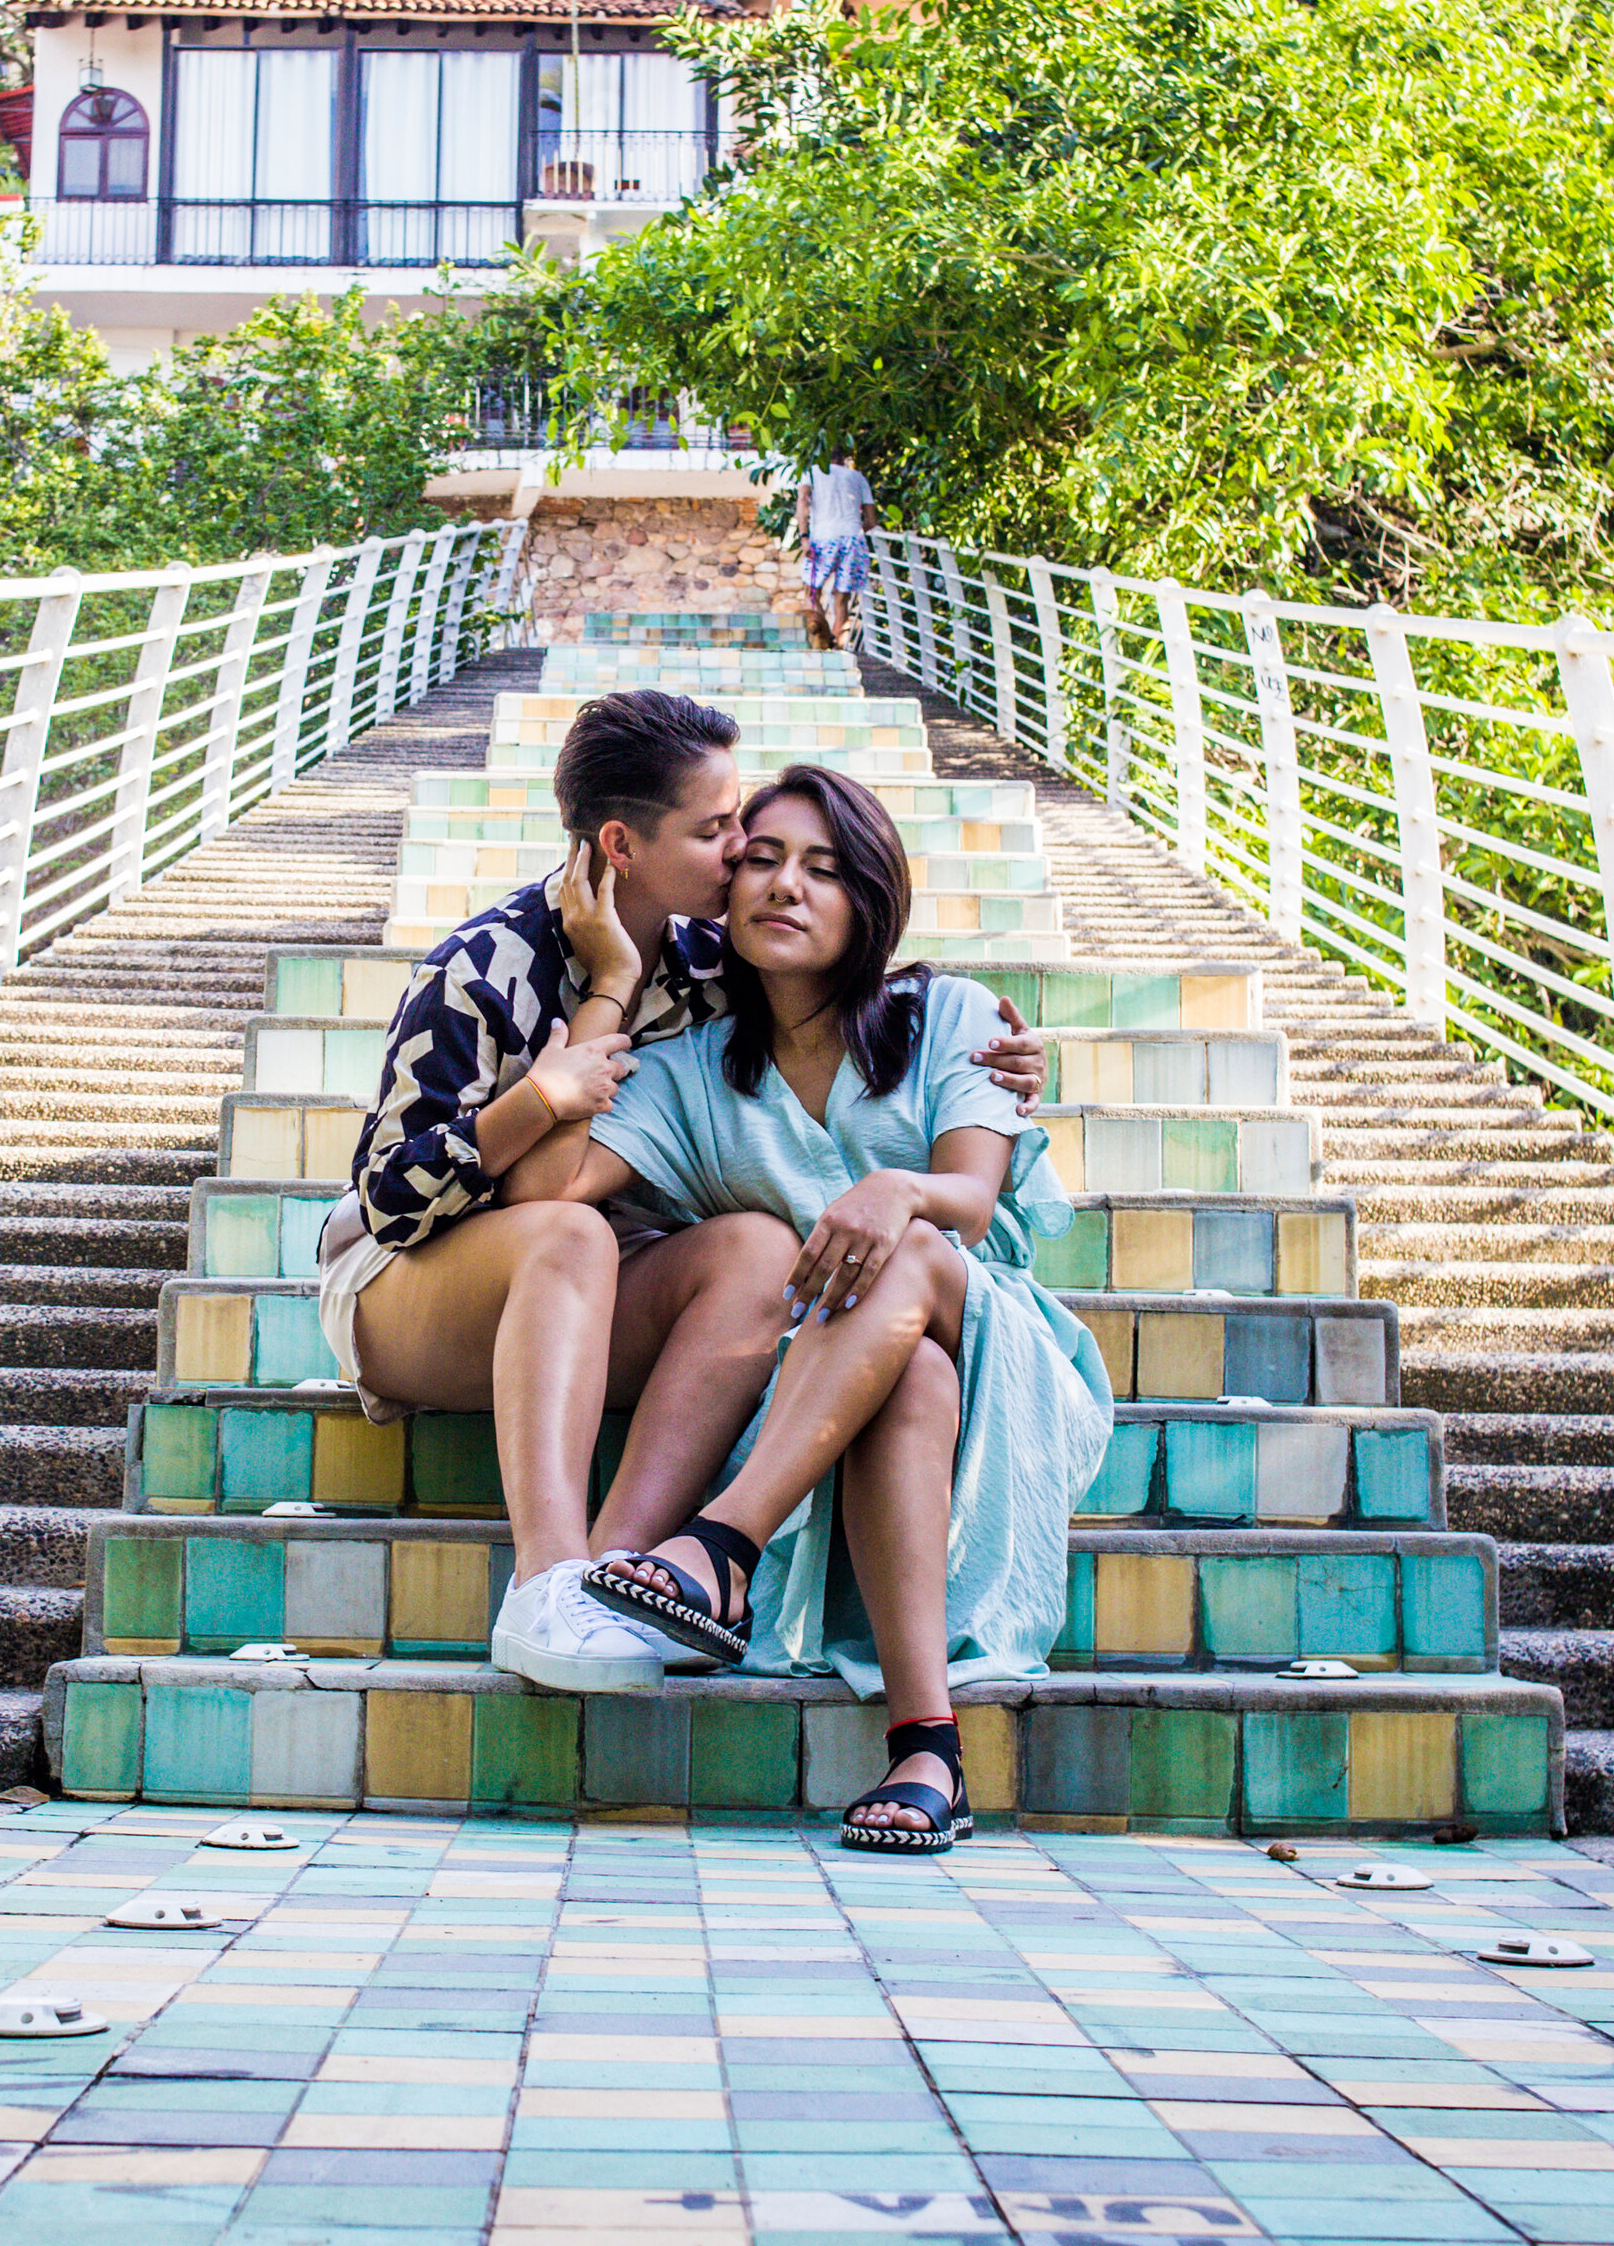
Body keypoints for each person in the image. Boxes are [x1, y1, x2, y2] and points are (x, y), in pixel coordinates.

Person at [312, 688, 1047, 1694]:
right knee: (567, 1231)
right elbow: (392, 1198)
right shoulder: (486, 964)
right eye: (717, 829)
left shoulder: (717, 958)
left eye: (740, 819)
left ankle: (623, 1575)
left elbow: (851, 988)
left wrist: (1003, 1065)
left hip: (584, 1299)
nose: (745, 851)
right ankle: (546, 1582)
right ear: (622, 843)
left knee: (750, 1244)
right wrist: (547, 1083)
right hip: (412, 1287)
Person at [501, 763, 1112, 1849]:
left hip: (996, 1343)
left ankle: (721, 1546)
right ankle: (930, 1745)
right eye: (764, 861)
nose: (787, 886)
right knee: (904, 1371)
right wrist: (609, 980)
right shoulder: (690, 1072)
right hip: (842, 1389)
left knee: (912, 1255)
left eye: (825, 870)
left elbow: (969, 1205)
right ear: (726, 897)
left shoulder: (950, 1016)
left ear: (869, 899)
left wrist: (897, 1186)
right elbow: (541, 1196)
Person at [790, 443, 878, 650]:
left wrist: (804, 537)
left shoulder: (811, 473)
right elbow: (872, 521)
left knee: (812, 592)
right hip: (853, 539)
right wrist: (851, 531)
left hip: (823, 539)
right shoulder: (857, 477)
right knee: (841, 600)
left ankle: (820, 639)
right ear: (842, 458)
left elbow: (803, 500)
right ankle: (837, 648)